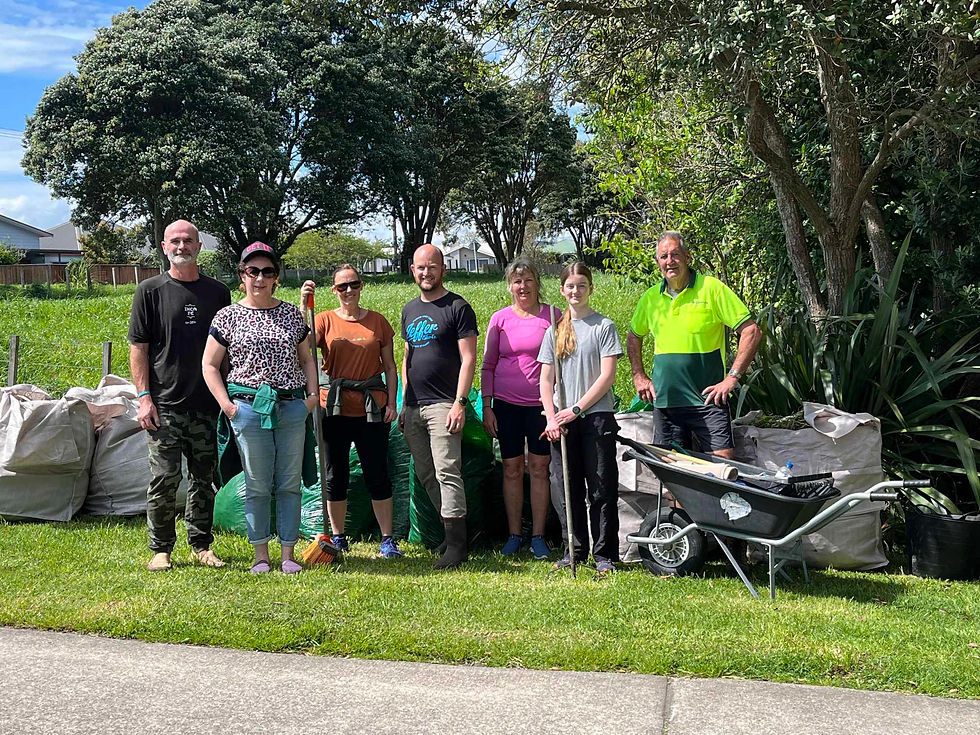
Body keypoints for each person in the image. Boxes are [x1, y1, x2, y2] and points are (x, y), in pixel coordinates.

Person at [202, 242, 319, 574]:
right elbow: (210, 365)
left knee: (288, 483)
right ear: (242, 276)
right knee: (256, 483)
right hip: (249, 409)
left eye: (267, 272)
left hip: (291, 407)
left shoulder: (291, 315)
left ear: (276, 278)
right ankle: (260, 556)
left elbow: (307, 359)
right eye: (253, 271)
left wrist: (311, 398)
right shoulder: (228, 317)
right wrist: (227, 406)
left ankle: (287, 554)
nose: (260, 278)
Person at [128, 219, 231, 572]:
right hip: (164, 406)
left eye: (188, 241)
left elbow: (227, 348)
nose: (182, 246)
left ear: (199, 246)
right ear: (163, 246)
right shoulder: (150, 291)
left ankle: (201, 544)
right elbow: (138, 349)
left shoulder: (218, 293)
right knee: (165, 479)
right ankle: (161, 549)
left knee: (204, 479)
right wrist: (144, 397)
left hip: (206, 405)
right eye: (175, 241)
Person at [627, 231, 761, 460]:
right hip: (667, 402)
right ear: (658, 262)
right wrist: (638, 375)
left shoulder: (711, 289)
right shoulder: (650, 298)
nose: (670, 261)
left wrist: (732, 378)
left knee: (722, 468)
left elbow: (751, 331)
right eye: (663, 256)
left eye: (675, 254)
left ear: (687, 256)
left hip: (707, 400)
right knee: (674, 477)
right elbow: (633, 336)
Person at [299, 266, 402, 559]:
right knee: (335, 474)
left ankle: (387, 539)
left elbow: (391, 367)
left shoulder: (377, 322)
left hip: (373, 408)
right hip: (333, 407)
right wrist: (303, 305)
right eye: (342, 287)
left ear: (361, 286)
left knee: (377, 473)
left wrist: (392, 403)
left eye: (353, 285)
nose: (348, 291)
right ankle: (339, 536)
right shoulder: (324, 320)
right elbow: (303, 350)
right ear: (334, 290)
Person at [539, 262, 623, 576]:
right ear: (563, 290)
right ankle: (573, 550)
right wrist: (551, 417)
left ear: (590, 288)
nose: (576, 291)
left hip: (595, 417)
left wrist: (577, 409)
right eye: (570, 286)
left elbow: (607, 376)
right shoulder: (555, 330)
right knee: (567, 488)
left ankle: (604, 555)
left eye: (582, 285)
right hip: (560, 422)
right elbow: (545, 381)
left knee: (601, 487)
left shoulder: (604, 326)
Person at [399, 244, 478, 569]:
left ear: (442, 269)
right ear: (412, 270)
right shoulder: (409, 309)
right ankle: (453, 536)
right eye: (420, 267)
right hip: (415, 406)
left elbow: (469, 357)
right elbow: (406, 357)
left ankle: (458, 547)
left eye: (432, 267)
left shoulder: (457, 307)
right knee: (426, 473)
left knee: (447, 471)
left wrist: (460, 402)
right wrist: (405, 402)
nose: (426, 272)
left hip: (444, 404)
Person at [481, 260, 559, 559]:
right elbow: (488, 366)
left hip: (541, 407)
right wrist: (487, 406)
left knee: (540, 469)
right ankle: (514, 535)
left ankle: (539, 536)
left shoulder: (553, 316)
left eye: (527, 280)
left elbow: (565, 361)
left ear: (537, 283)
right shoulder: (499, 319)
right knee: (512, 469)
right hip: (506, 405)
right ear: (509, 286)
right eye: (517, 282)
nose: (522, 286)